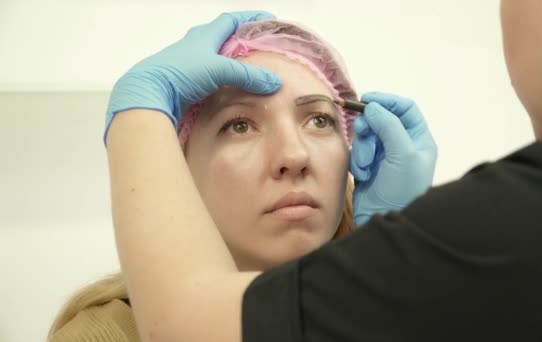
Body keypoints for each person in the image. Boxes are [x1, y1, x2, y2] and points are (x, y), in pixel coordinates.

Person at [48, 17, 436, 342]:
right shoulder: (106, 333)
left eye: (319, 119)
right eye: (239, 125)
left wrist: (390, 271)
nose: (294, 156)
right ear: (176, 168)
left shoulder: (409, 304)